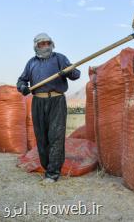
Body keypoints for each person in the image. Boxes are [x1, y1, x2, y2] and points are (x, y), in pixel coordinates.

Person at [17, 33, 80, 183]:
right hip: (38, 102)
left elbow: (76, 74)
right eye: (41, 44)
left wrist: (69, 71)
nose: (45, 46)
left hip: (56, 101)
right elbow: (21, 80)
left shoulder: (60, 58)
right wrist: (22, 87)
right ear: (36, 46)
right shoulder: (31, 63)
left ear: (52, 44)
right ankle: (47, 167)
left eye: (47, 43)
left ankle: (53, 173)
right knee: (41, 137)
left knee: (55, 136)